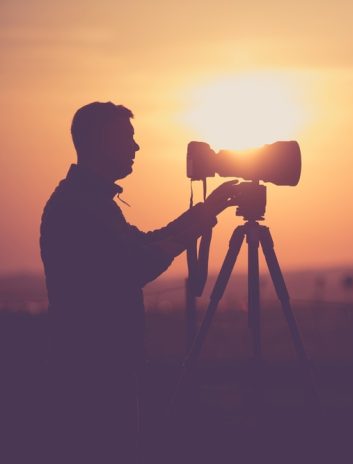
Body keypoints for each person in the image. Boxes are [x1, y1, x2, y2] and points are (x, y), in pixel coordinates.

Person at [39, 101, 239, 463]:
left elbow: (143, 243)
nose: (136, 148)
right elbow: (139, 262)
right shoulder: (78, 208)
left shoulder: (91, 202)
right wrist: (200, 221)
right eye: (127, 138)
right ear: (100, 142)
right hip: (94, 375)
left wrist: (207, 211)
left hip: (102, 367)